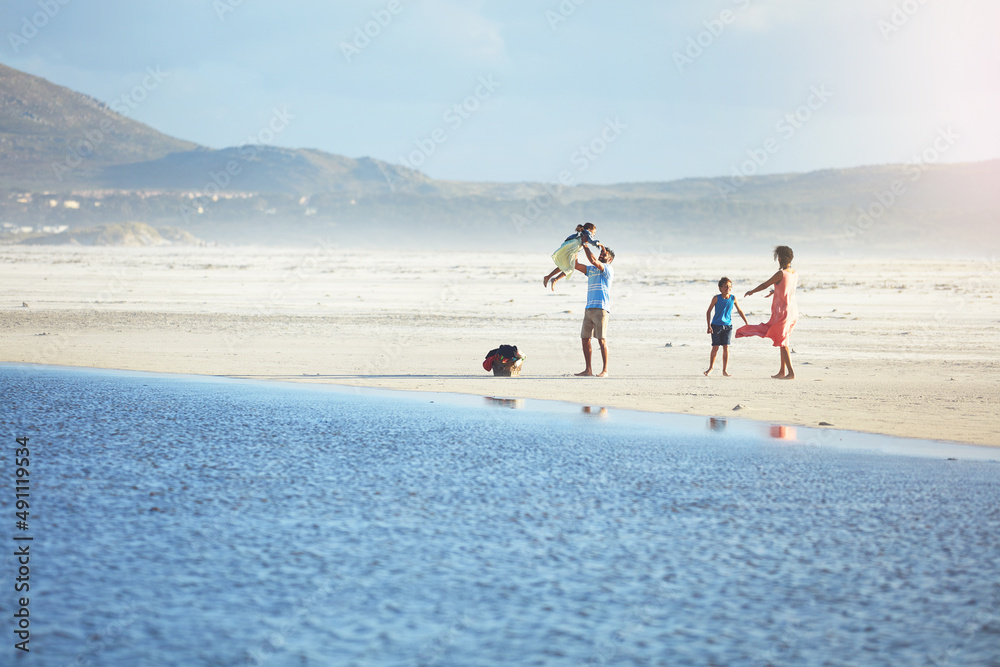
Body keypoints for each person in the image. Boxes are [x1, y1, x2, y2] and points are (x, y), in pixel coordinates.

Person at [736, 245, 799, 379]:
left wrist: (752, 291)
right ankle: (782, 371)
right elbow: (786, 288)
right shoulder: (794, 272)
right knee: (783, 341)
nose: (778, 260)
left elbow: (765, 284)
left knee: (783, 343)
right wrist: (774, 291)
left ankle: (791, 373)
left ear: (781, 258)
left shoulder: (780, 274)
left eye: (778, 257)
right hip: (793, 310)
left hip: (783, 312)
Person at [573, 244, 614, 377]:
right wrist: (575, 248)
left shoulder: (607, 269)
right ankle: (588, 370)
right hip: (589, 308)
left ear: (610, 259)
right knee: (585, 339)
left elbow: (592, 260)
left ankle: (605, 370)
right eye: (601, 253)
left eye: (605, 254)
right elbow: (577, 265)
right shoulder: (591, 269)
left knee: (601, 339)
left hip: (601, 308)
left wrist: (585, 245)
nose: (601, 255)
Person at [704, 277, 749, 376]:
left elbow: (739, 310)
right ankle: (711, 367)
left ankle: (724, 370)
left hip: (728, 326)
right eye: (725, 286)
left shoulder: (733, 298)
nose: (728, 288)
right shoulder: (716, 298)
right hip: (716, 326)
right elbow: (708, 311)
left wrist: (746, 322)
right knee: (715, 347)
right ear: (720, 288)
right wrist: (708, 326)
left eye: (730, 286)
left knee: (726, 348)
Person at [543, 223, 601, 291]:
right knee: (570, 268)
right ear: (589, 230)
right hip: (573, 247)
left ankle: (548, 277)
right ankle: (555, 279)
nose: (594, 235)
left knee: (565, 265)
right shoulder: (587, 233)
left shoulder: (582, 233)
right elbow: (592, 241)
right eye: (594, 232)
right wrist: (599, 244)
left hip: (571, 246)